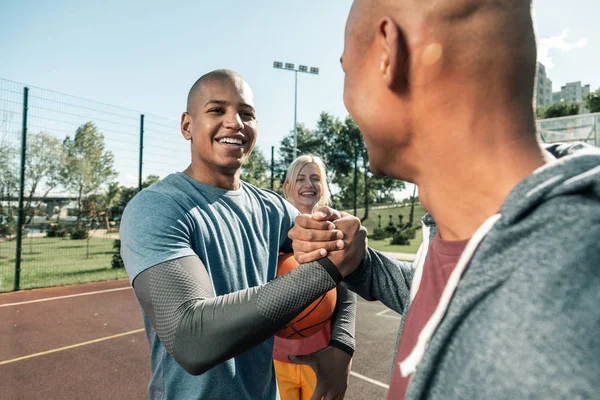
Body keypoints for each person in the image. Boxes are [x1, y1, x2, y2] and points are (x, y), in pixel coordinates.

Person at [288, 0, 600, 399]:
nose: (346, 98)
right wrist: (359, 262)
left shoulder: (557, 332)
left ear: (389, 53)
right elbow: (447, 295)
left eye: (347, 68)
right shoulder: (474, 227)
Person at [120, 69, 355, 399]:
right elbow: (192, 340)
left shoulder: (273, 209)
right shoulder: (157, 208)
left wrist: (342, 344)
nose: (235, 123)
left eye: (247, 114)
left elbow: (345, 262)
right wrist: (328, 271)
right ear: (187, 125)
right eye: (217, 110)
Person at [273, 154, 357, 400]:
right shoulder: (273, 231)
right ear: (288, 187)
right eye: (300, 178)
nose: (308, 184)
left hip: (320, 359)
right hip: (275, 358)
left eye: (315, 178)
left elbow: (348, 297)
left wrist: (343, 346)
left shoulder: (337, 230)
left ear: (323, 187)